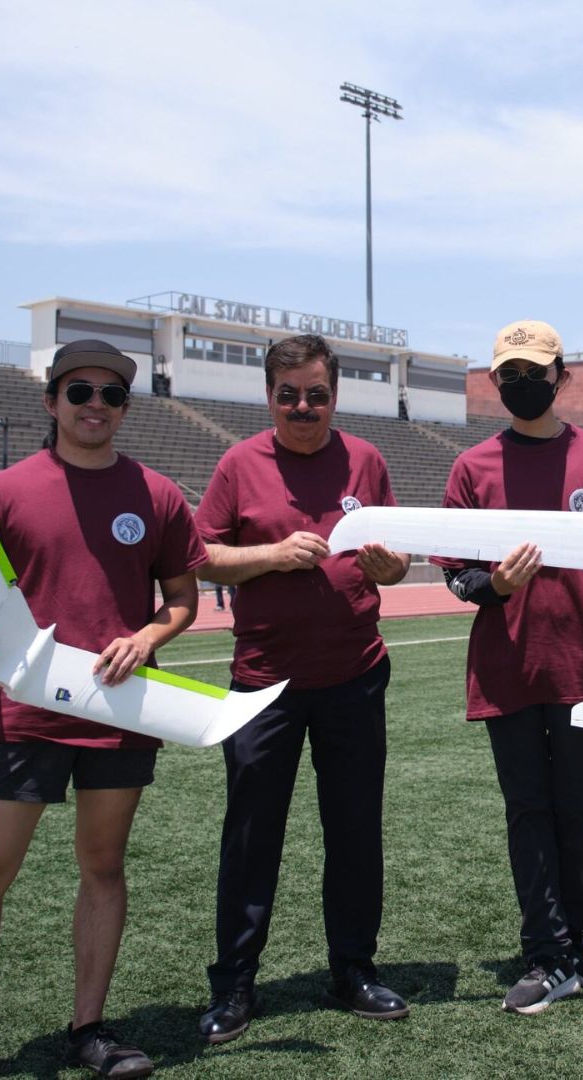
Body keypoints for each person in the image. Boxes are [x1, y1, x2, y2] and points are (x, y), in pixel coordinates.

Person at [0, 339, 206, 1080]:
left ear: (125, 408)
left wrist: (147, 635)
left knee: (103, 868)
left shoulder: (155, 495)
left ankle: (89, 1031)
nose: (95, 405)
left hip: (118, 707)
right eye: (79, 391)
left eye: (111, 395)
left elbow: (182, 601)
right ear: (52, 402)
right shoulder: (1, 492)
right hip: (23, 713)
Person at [438, 319, 583, 1015]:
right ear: (494, 381)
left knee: (576, 810)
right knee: (529, 811)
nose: (523, 384)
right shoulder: (471, 468)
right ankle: (546, 954)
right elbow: (455, 575)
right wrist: (495, 587)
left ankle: (574, 942)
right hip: (508, 668)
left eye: (535, 372)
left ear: (562, 376)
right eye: (509, 374)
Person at [192, 333, 413, 1042]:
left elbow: (399, 561)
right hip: (263, 685)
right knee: (252, 839)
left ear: (334, 395)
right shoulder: (239, 463)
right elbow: (203, 559)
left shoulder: (366, 460)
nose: (303, 407)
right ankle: (234, 986)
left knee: (354, 832)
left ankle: (354, 969)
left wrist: (387, 566)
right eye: (289, 394)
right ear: (269, 397)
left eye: (316, 393)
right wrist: (272, 555)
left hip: (355, 675)